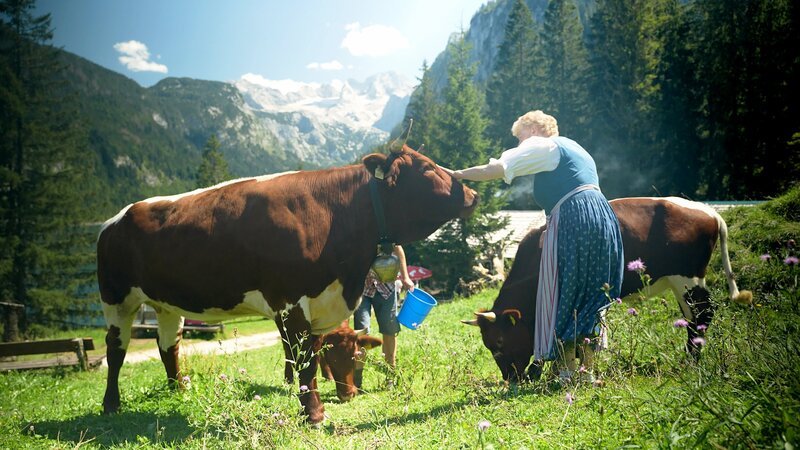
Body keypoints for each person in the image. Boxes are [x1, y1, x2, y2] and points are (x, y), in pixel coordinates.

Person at [447, 110, 624, 383]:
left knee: (566, 288)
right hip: (601, 216)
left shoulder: (542, 144)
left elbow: (499, 169)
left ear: (532, 129)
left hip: (574, 218)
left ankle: (566, 371)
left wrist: (457, 175)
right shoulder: (576, 148)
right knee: (590, 291)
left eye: (520, 137)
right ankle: (586, 371)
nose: (520, 144)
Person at [353, 244, 414, 389]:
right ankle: (357, 380)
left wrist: (405, 277)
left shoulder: (386, 229)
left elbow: (398, 249)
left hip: (387, 287)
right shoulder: (358, 226)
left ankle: (390, 377)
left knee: (389, 330)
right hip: (362, 287)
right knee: (362, 332)